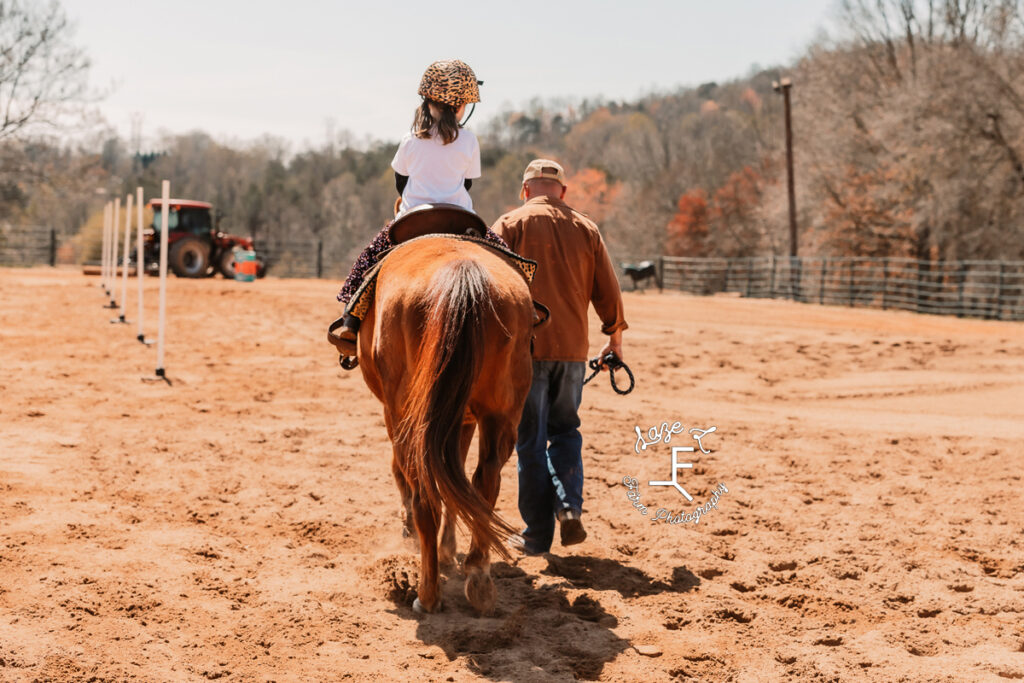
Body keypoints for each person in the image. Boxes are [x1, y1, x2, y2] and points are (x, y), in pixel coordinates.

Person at [491, 159, 628, 555]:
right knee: (566, 431)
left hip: (525, 352)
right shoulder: (586, 228)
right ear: (563, 192)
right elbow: (608, 292)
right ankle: (569, 508)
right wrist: (614, 341)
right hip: (572, 352)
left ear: (525, 190)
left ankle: (536, 536)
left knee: (530, 441)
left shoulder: (508, 225)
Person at [334, 59, 505, 354]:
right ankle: (527, 310)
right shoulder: (469, 140)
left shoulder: (410, 139)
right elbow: (467, 185)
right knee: (508, 258)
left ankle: (350, 321)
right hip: (461, 220)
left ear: (427, 102)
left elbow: (401, 183)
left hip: (413, 219)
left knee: (365, 265)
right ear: (460, 105)